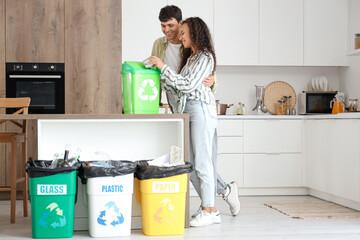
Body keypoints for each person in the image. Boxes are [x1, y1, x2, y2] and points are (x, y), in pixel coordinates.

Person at [147, 17, 240, 227]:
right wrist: (159, 76)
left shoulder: (205, 57)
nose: (180, 36)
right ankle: (210, 206)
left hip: (201, 111)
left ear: (195, 33)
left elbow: (188, 85)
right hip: (187, 112)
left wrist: (163, 69)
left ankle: (209, 210)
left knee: (203, 162)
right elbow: (179, 86)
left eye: (183, 32)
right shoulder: (191, 59)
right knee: (189, 167)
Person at [151, 5, 217, 113]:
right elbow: (155, 75)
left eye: (170, 25)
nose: (166, 30)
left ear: (180, 23)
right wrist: (154, 104)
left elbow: (207, 76)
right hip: (177, 104)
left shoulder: (192, 46)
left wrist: (212, 81)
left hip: (193, 102)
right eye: (163, 26)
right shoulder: (158, 44)